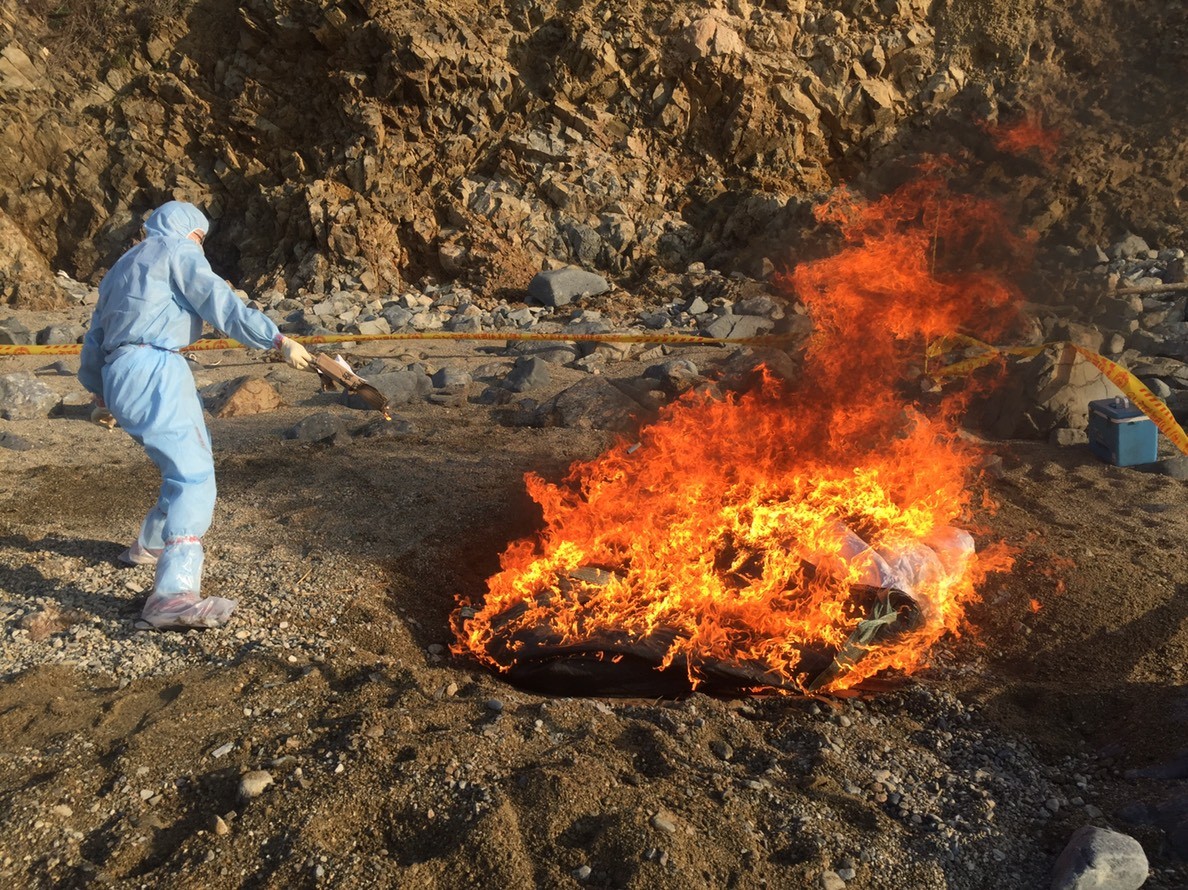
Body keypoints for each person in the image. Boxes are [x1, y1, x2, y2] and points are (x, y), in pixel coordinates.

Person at [78, 201, 313, 630]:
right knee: (194, 475)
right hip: (156, 368)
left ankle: (145, 547)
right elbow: (218, 301)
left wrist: (100, 396)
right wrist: (277, 341)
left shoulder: (121, 266)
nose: (199, 245)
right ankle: (172, 594)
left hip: (118, 373)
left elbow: (96, 334)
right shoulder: (177, 251)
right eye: (200, 237)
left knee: (177, 465)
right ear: (186, 230)